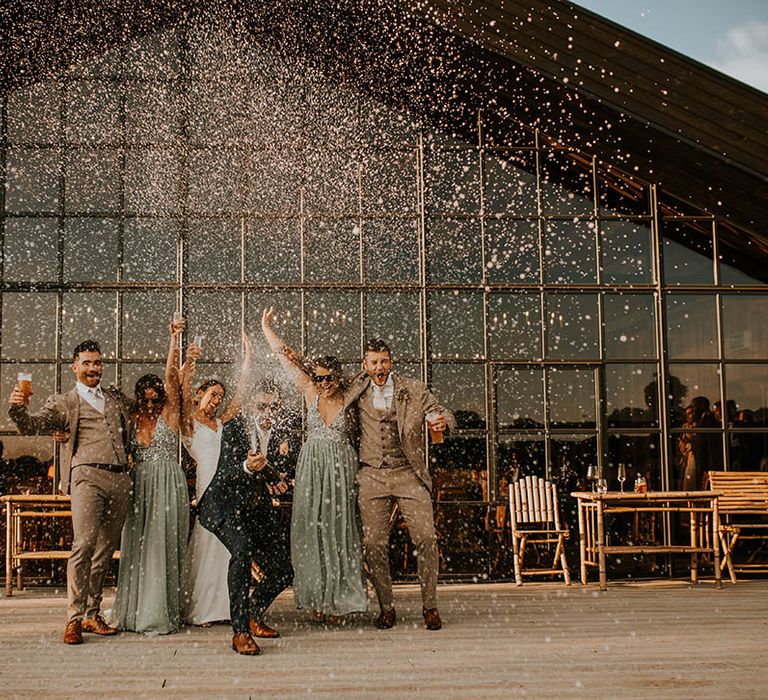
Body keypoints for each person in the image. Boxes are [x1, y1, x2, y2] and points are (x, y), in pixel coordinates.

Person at [8, 340, 133, 645]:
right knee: (84, 545)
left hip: (119, 479)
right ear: (75, 367)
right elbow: (31, 426)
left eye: (98, 363)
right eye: (87, 363)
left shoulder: (115, 398)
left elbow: (146, 409)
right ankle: (74, 618)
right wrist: (17, 408)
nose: (93, 368)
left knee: (104, 551)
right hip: (86, 476)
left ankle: (92, 614)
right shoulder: (64, 402)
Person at [261, 308, 369, 625]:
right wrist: (267, 329)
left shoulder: (350, 395)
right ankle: (317, 598)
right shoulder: (309, 391)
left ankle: (339, 599)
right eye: (318, 377)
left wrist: (304, 358)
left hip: (340, 470)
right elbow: (282, 357)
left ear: (338, 377)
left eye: (328, 378)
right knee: (312, 531)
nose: (323, 383)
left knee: (339, 532)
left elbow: (372, 373)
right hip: (311, 469)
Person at [345, 337, 456, 631]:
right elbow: (323, 386)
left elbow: (445, 412)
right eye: (374, 362)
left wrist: (443, 422)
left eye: (384, 361)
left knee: (426, 538)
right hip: (371, 474)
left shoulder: (414, 389)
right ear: (365, 365)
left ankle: (430, 606)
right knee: (373, 544)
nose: (379, 367)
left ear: (390, 362)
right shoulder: (356, 389)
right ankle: (386, 607)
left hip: (409, 473)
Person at [196, 383, 299, 655]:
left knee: (283, 569)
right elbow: (226, 472)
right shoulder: (234, 428)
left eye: (273, 407)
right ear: (250, 405)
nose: (267, 412)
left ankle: (253, 614)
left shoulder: (283, 432)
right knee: (241, 553)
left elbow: (281, 469)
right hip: (224, 505)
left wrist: (278, 479)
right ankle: (240, 632)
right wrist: (246, 466)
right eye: (261, 406)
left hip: (256, 508)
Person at [111, 319, 189, 634]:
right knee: (138, 546)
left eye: (155, 397)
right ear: (138, 398)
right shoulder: (132, 418)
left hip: (168, 483)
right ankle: (134, 610)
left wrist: (173, 340)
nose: (151, 403)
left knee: (161, 545)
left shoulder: (170, 412)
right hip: (139, 485)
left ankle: (158, 611)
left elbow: (172, 376)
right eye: (145, 399)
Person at [179, 335, 254, 626]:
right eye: (212, 395)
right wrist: (191, 361)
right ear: (200, 394)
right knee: (206, 544)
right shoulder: (188, 421)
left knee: (225, 549)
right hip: (205, 488)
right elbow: (183, 393)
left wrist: (247, 360)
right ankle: (201, 609)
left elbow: (242, 396)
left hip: (226, 490)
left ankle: (223, 608)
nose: (217, 401)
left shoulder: (221, 423)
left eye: (220, 398)